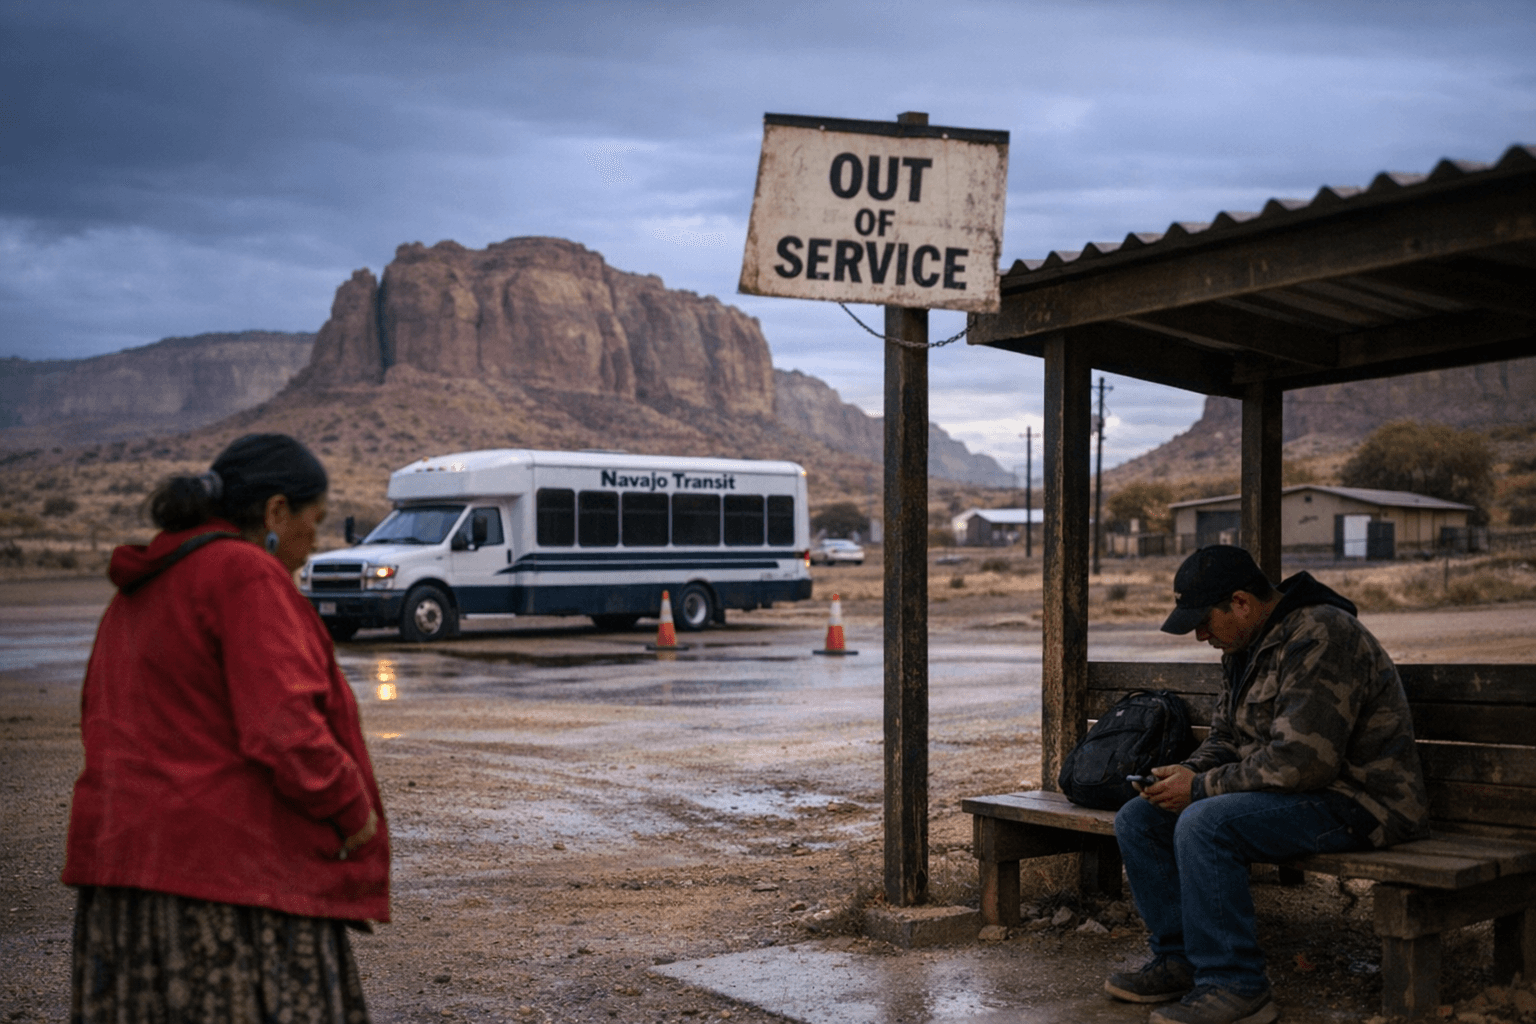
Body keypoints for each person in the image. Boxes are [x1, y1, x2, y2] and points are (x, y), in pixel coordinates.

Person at [63, 433, 389, 1024]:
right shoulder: (244, 575)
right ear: (275, 512)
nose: (312, 545)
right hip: (225, 887)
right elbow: (286, 729)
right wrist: (354, 812)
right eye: (312, 523)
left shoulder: (143, 587)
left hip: (124, 878)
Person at [1106, 545, 1428, 1024]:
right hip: (1296, 794)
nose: (1199, 635)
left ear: (1241, 602)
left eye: (1204, 621)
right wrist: (1185, 774)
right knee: (1139, 818)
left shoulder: (1321, 634)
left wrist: (1199, 790)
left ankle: (1236, 986)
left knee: (1203, 823)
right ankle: (1180, 962)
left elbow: (1304, 763)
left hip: (1361, 801)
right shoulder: (1243, 646)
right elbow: (1226, 738)